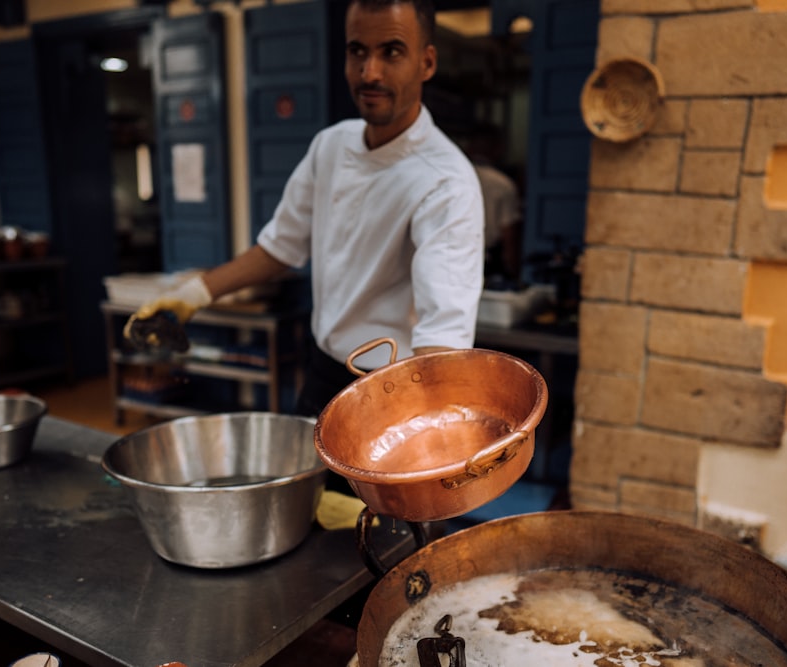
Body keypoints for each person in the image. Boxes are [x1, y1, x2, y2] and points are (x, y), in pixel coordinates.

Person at [125, 0, 484, 419]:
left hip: (397, 393)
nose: (370, 72)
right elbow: (280, 247)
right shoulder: (330, 146)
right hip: (323, 374)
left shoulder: (446, 182)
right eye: (357, 51)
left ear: (426, 62)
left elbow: (441, 337)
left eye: (391, 52)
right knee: (308, 487)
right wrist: (192, 294)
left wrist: (430, 427)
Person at [466, 123, 523, 283]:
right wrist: (514, 274)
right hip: (487, 263)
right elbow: (509, 236)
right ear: (498, 149)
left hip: (454, 259)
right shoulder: (503, 184)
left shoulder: (452, 178)